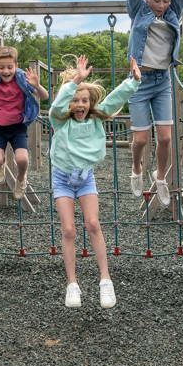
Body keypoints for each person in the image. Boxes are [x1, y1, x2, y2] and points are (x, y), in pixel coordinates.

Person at [49, 55, 141, 308]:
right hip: (63, 178)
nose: (79, 104)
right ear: (69, 103)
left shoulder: (96, 119)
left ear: (90, 103)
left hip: (85, 178)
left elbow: (114, 100)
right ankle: (72, 284)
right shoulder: (60, 120)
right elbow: (56, 107)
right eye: (75, 100)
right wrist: (76, 79)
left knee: (93, 224)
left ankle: (105, 281)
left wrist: (132, 81)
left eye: (84, 100)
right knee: (69, 229)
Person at [125, 0, 183, 206]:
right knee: (140, 140)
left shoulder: (173, 11)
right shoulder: (138, 9)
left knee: (165, 138)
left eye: (164, 2)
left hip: (162, 81)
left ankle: (160, 177)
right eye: (156, 0)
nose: (161, 6)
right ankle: (137, 167)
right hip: (140, 82)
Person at [0, 40, 49, 199]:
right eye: (1, 67)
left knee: (22, 159)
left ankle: (21, 178)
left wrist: (37, 85)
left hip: (17, 128)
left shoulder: (22, 79)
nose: (6, 71)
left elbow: (45, 96)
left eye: (9, 67)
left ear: (16, 65)